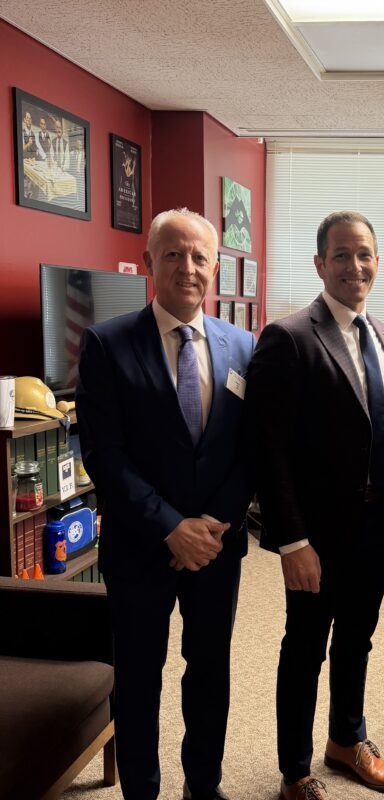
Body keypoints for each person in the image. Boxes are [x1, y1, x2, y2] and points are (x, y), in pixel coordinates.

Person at [76, 208, 255, 800]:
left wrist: (211, 528)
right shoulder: (106, 342)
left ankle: (203, 787)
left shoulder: (243, 346)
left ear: (214, 267)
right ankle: (142, 792)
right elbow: (104, 453)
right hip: (139, 546)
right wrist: (170, 527)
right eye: (173, 254)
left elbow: (247, 450)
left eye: (200, 256)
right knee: (139, 679)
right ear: (150, 261)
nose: (188, 267)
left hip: (215, 549)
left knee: (209, 674)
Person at [245, 211, 384, 800]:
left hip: (375, 528)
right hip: (316, 538)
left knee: (358, 640)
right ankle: (295, 770)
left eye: (365, 254)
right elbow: (266, 450)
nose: (357, 266)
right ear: (320, 264)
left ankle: (348, 740)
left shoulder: (382, 336)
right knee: (305, 649)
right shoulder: (290, 336)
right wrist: (292, 540)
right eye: (342, 255)